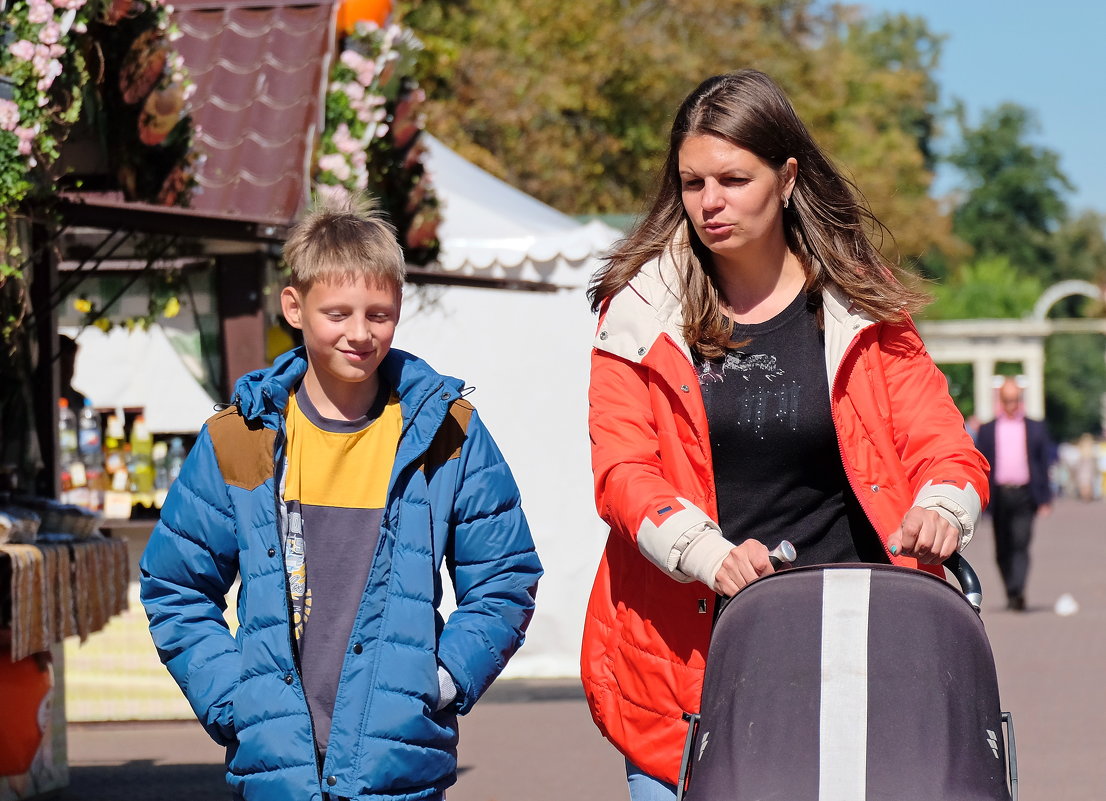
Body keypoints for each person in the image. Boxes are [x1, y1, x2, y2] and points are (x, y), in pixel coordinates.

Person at [581, 69, 990, 798]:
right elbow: (621, 471)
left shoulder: (862, 306)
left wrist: (942, 505)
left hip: (854, 652)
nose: (710, 203)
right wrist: (706, 553)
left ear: (787, 176)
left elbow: (944, 446)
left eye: (733, 179)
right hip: (687, 664)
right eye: (691, 182)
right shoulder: (638, 312)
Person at [140, 195, 542, 800]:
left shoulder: (447, 432)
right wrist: (234, 698)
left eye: (379, 313)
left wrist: (443, 680)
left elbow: (506, 576)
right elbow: (176, 587)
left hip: (398, 768)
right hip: (276, 770)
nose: (360, 333)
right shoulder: (239, 438)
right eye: (338, 313)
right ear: (294, 307)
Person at [976, 378, 1052, 611]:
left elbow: (1043, 463)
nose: (1011, 404)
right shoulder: (988, 429)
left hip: (1025, 495)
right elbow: (981, 463)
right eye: (1007, 400)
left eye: (1015, 400)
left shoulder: (1035, 427)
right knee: (1002, 547)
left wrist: (1045, 498)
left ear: (1020, 400)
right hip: (999, 496)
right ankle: (1011, 588)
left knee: (1021, 543)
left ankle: (1018, 590)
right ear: (1001, 401)